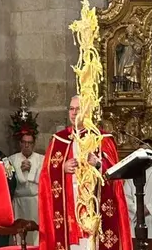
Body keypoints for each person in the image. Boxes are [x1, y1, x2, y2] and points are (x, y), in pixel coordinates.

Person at [38, 96, 132, 250]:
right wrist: (62, 168)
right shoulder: (58, 140)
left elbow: (116, 175)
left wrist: (98, 164)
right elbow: (45, 176)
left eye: (78, 109)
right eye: (71, 108)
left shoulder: (102, 139)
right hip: (69, 210)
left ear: (87, 112)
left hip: (94, 209)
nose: (74, 113)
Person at [8, 133, 44, 246]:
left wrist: (32, 170)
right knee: (19, 232)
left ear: (33, 144)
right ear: (20, 144)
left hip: (35, 201)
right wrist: (18, 170)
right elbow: (8, 179)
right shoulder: (12, 159)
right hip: (19, 202)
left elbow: (45, 178)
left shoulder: (41, 159)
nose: (26, 145)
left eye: (29, 143)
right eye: (24, 142)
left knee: (36, 234)